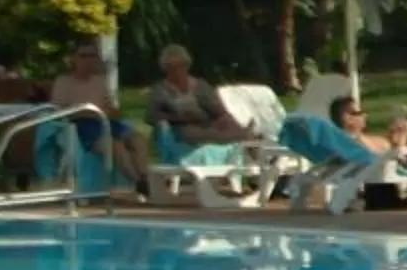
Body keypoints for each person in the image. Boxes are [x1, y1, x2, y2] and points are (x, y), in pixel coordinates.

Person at [47, 44, 151, 187]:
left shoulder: (100, 81)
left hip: (105, 121)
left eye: (92, 56)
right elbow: (57, 112)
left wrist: (111, 112)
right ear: (73, 59)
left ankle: (145, 177)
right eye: (83, 56)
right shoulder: (64, 82)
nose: (88, 60)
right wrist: (87, 112)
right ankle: (138, 182)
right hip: (82, 124)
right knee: (116, 146)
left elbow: (113, 109)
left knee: (139, 140)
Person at [148, 45, 253, 149]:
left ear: (187, 66)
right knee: (194, 132)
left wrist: (222, 120)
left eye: (181, 66)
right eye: (172, 68)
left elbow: (218, 111)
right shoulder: (160, 89)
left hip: (207, 122)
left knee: (226, 121)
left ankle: (242, 134)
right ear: (166, 69)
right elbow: (152, 117)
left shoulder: (200, 86)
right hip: (181, 127)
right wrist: (178, 117)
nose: (177, 71)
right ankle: (241, 137)